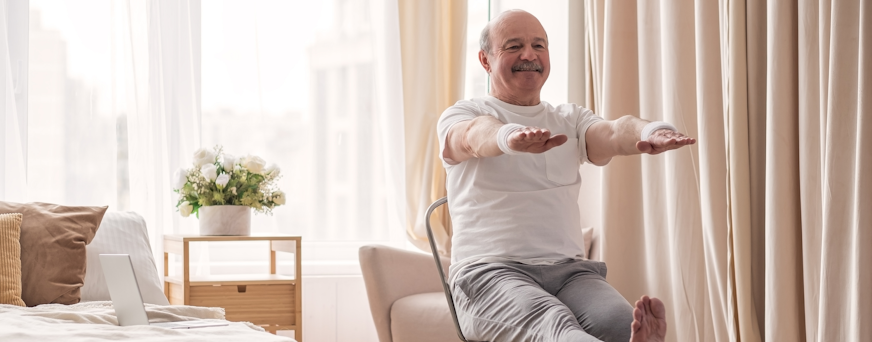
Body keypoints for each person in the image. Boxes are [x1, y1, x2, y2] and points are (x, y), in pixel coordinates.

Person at [436, 9, 695, 342]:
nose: (529, 55)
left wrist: (653, 130)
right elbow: (473, 136)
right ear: (485, 60)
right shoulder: (464, 114)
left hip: (572, 274)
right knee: (555, 328)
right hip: (490, 274)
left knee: (618, 324)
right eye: (514, 46)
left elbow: (614, 132)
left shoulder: (568, 119)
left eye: (538, 45)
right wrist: (508, 137)